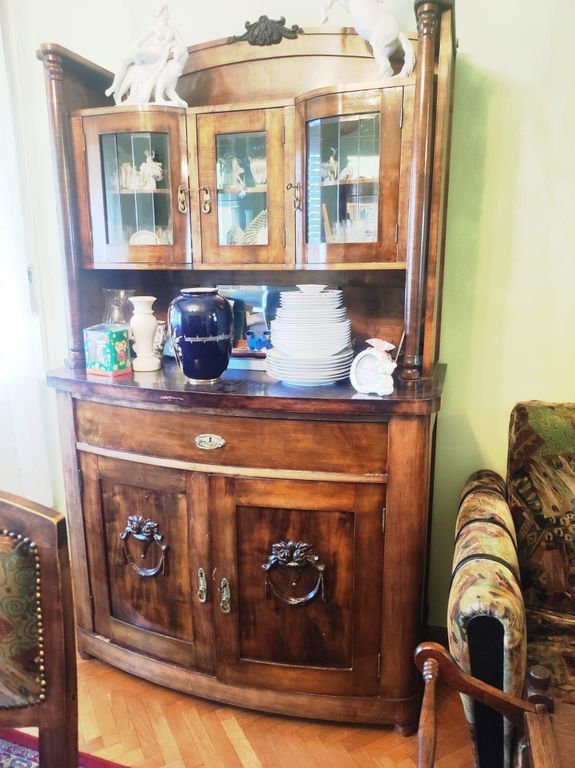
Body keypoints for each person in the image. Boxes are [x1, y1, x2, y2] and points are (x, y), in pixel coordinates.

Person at [105, 4, 188, 106]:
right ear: (160, 13)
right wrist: (130, 51)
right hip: (151, 53)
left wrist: (175, 47)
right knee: (126, 58)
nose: (168, 13)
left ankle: (138, 63)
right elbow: (140, 41)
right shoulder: (153, 27)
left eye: (167, 11)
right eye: (165, 11)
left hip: (158, 57)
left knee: (137, 53)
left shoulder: (173, 30)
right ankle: (114, 86)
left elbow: (183, 46)